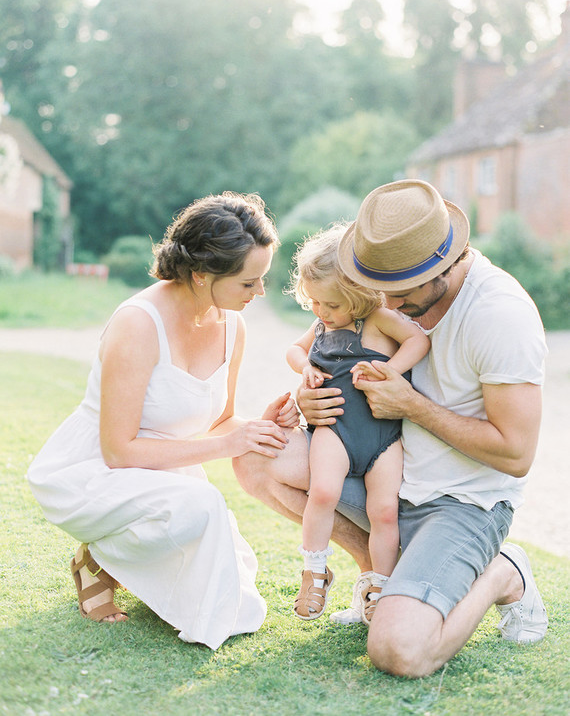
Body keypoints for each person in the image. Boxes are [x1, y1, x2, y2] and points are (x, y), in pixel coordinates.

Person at [232, 179, 548, 677]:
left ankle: (502, 574)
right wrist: (310, 400)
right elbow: (335, 355)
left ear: (440, 267)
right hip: (388, 476)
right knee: (255, 454)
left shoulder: (499, 316)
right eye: (377, 290)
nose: (388, 307)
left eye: (399, 294)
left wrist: (414, 406)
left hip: (459, 502)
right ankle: (376, 579)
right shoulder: (385, 298)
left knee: (399, 651)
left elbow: (516, 453)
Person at [27, 191, 300, 650]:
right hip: (94, 469)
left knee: (239, 600)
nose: (260, 293)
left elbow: (223, 422)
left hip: (165, 472)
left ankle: (117, 560)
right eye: (248, 283)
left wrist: (256, 428)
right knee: (202, 505)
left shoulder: (234, 324)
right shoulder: (138, 323)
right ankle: (96, 561)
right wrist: (224, 446)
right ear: (200, 274)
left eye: (263, 279)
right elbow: (119, 451)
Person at [285, 225, 430, 623]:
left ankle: (379, 587)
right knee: (323, 491)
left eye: (330, 304)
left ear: (359, 294)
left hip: (384, 438)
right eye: (313, 302)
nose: (320, 312)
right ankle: (315, 570)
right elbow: (294, 351)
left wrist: (391, 372)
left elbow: (419, 341)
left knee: (384, 511)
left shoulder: (380, 319)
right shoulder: (320, 326)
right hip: (335, 428)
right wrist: (307, 369)